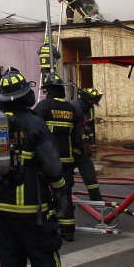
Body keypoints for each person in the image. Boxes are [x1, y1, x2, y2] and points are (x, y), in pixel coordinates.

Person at [0, 67, 69, 267]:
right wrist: (60, 193)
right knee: (45, 259)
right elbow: (53, 167)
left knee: (10, 260)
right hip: (31, 210)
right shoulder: (36, 124)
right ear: (26, 94)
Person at [33, 73, 83, 242]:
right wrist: (75, 157)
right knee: (64, 193)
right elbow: (77, 139)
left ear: (49, 91)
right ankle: (68, 230)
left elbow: (34, 132)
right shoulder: (72, 109)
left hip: (46, 161)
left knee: (44, 193)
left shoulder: (43, 107)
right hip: (67, 162)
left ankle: (48, 227)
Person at [71, 88, 104, 201]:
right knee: (65, 176)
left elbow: (84, 125)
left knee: (89, 174)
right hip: (72, 149)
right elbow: (76, 129)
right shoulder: (76, 107)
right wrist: (84, 142)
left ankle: (96, 199)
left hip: (79, 149)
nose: (92, 104)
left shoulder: (83, 107)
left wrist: (89, 134)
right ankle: (62, 199)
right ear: (86, 98)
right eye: (91, 101)